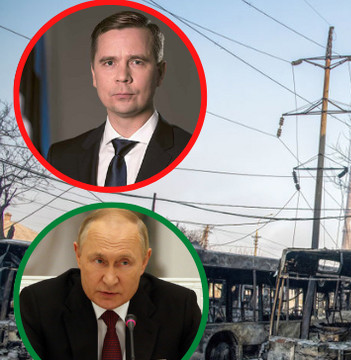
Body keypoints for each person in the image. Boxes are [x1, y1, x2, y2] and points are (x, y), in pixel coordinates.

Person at [19, 209, 201, 360]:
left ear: (144, 261)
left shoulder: (181, 309)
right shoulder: (38, 305)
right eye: (99, 261)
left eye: (124, 263)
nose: (110, 279)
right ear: (79, 255)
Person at [46, 11, 191, 187]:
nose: (122, 76)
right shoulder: (61, 157)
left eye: (136, 61)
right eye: (109, 63)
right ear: (94, 74)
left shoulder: (191, 152)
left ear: (160, 73)